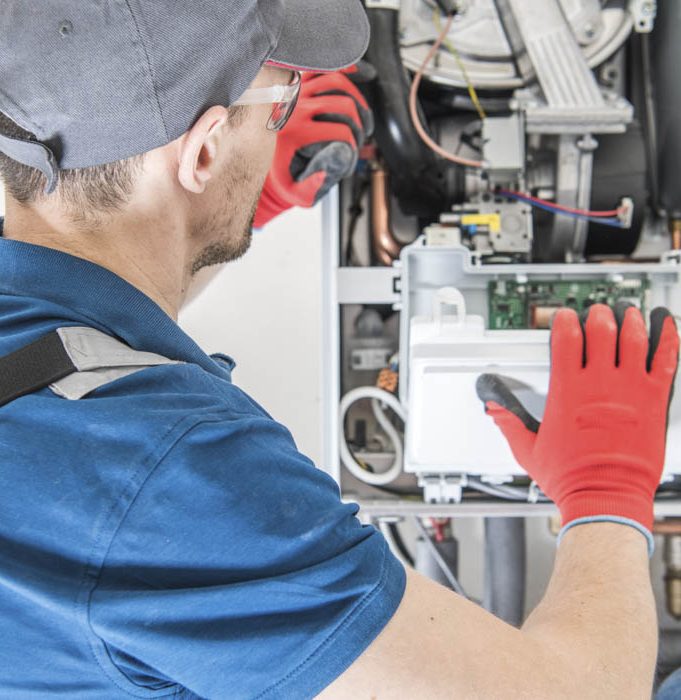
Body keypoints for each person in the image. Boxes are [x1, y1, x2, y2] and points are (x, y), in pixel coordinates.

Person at [0, 1, 678, 697]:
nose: (285, 119)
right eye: (279, 97)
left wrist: (229, 210)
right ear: (202, 152)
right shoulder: (170, 481)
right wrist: (606, 488)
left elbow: (87, 316)